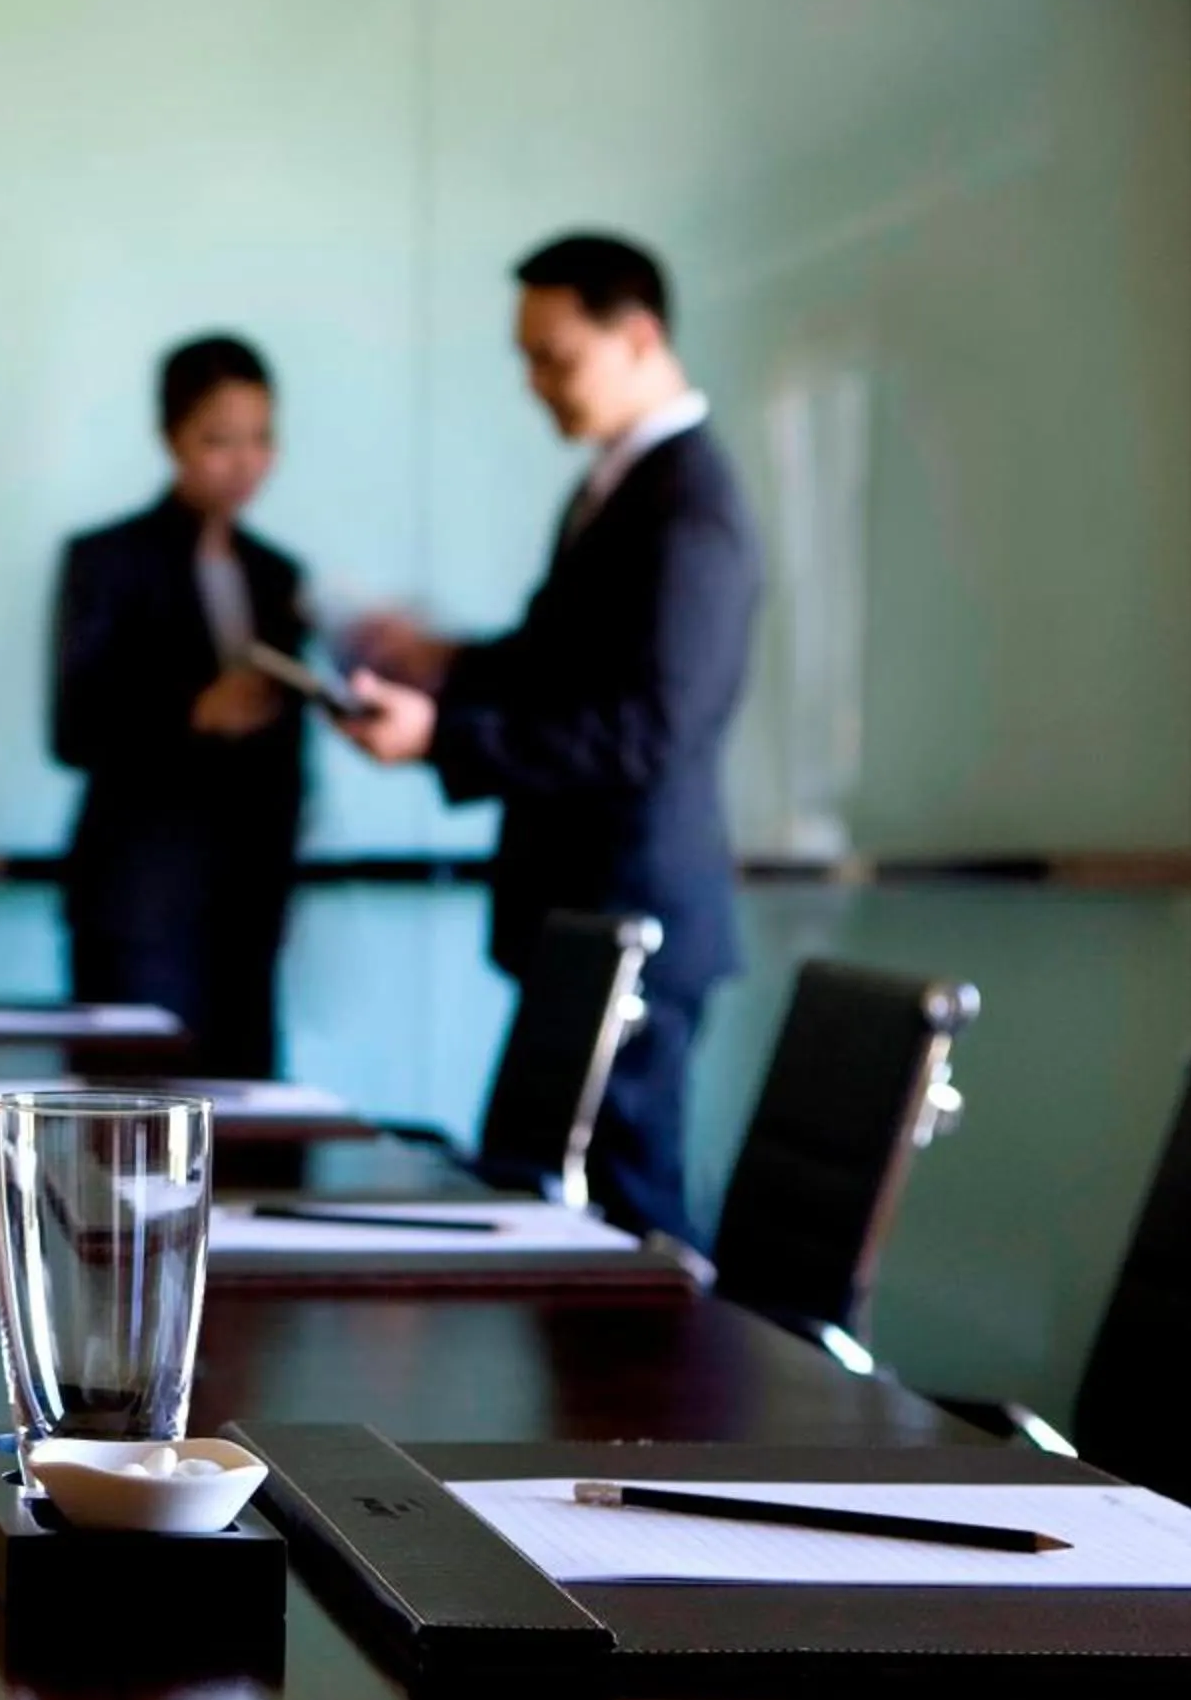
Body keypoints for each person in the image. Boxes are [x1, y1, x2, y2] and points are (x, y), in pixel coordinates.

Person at [336, 233, 760, 1248]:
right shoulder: (615, 485)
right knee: (563, 1210)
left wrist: (443, 737)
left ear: (640, 336)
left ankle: (677, 1418)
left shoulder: (687, 504)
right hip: (588, 925)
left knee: (625, 1223)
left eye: (554, 357)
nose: (535, 384)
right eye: (525, 358)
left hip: (635, 924)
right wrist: (439, 660)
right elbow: (559, 663)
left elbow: (648, 730)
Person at [50, 334, 310, 1078]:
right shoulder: (106, 560)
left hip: (251, 901)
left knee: (253, 1127)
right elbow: (73, 728)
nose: (245, 462)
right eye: (218, 440)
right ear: (172, 439)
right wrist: (193, 712)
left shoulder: (278, 575)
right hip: (139, 906)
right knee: (129, 1125)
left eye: (262, 439)